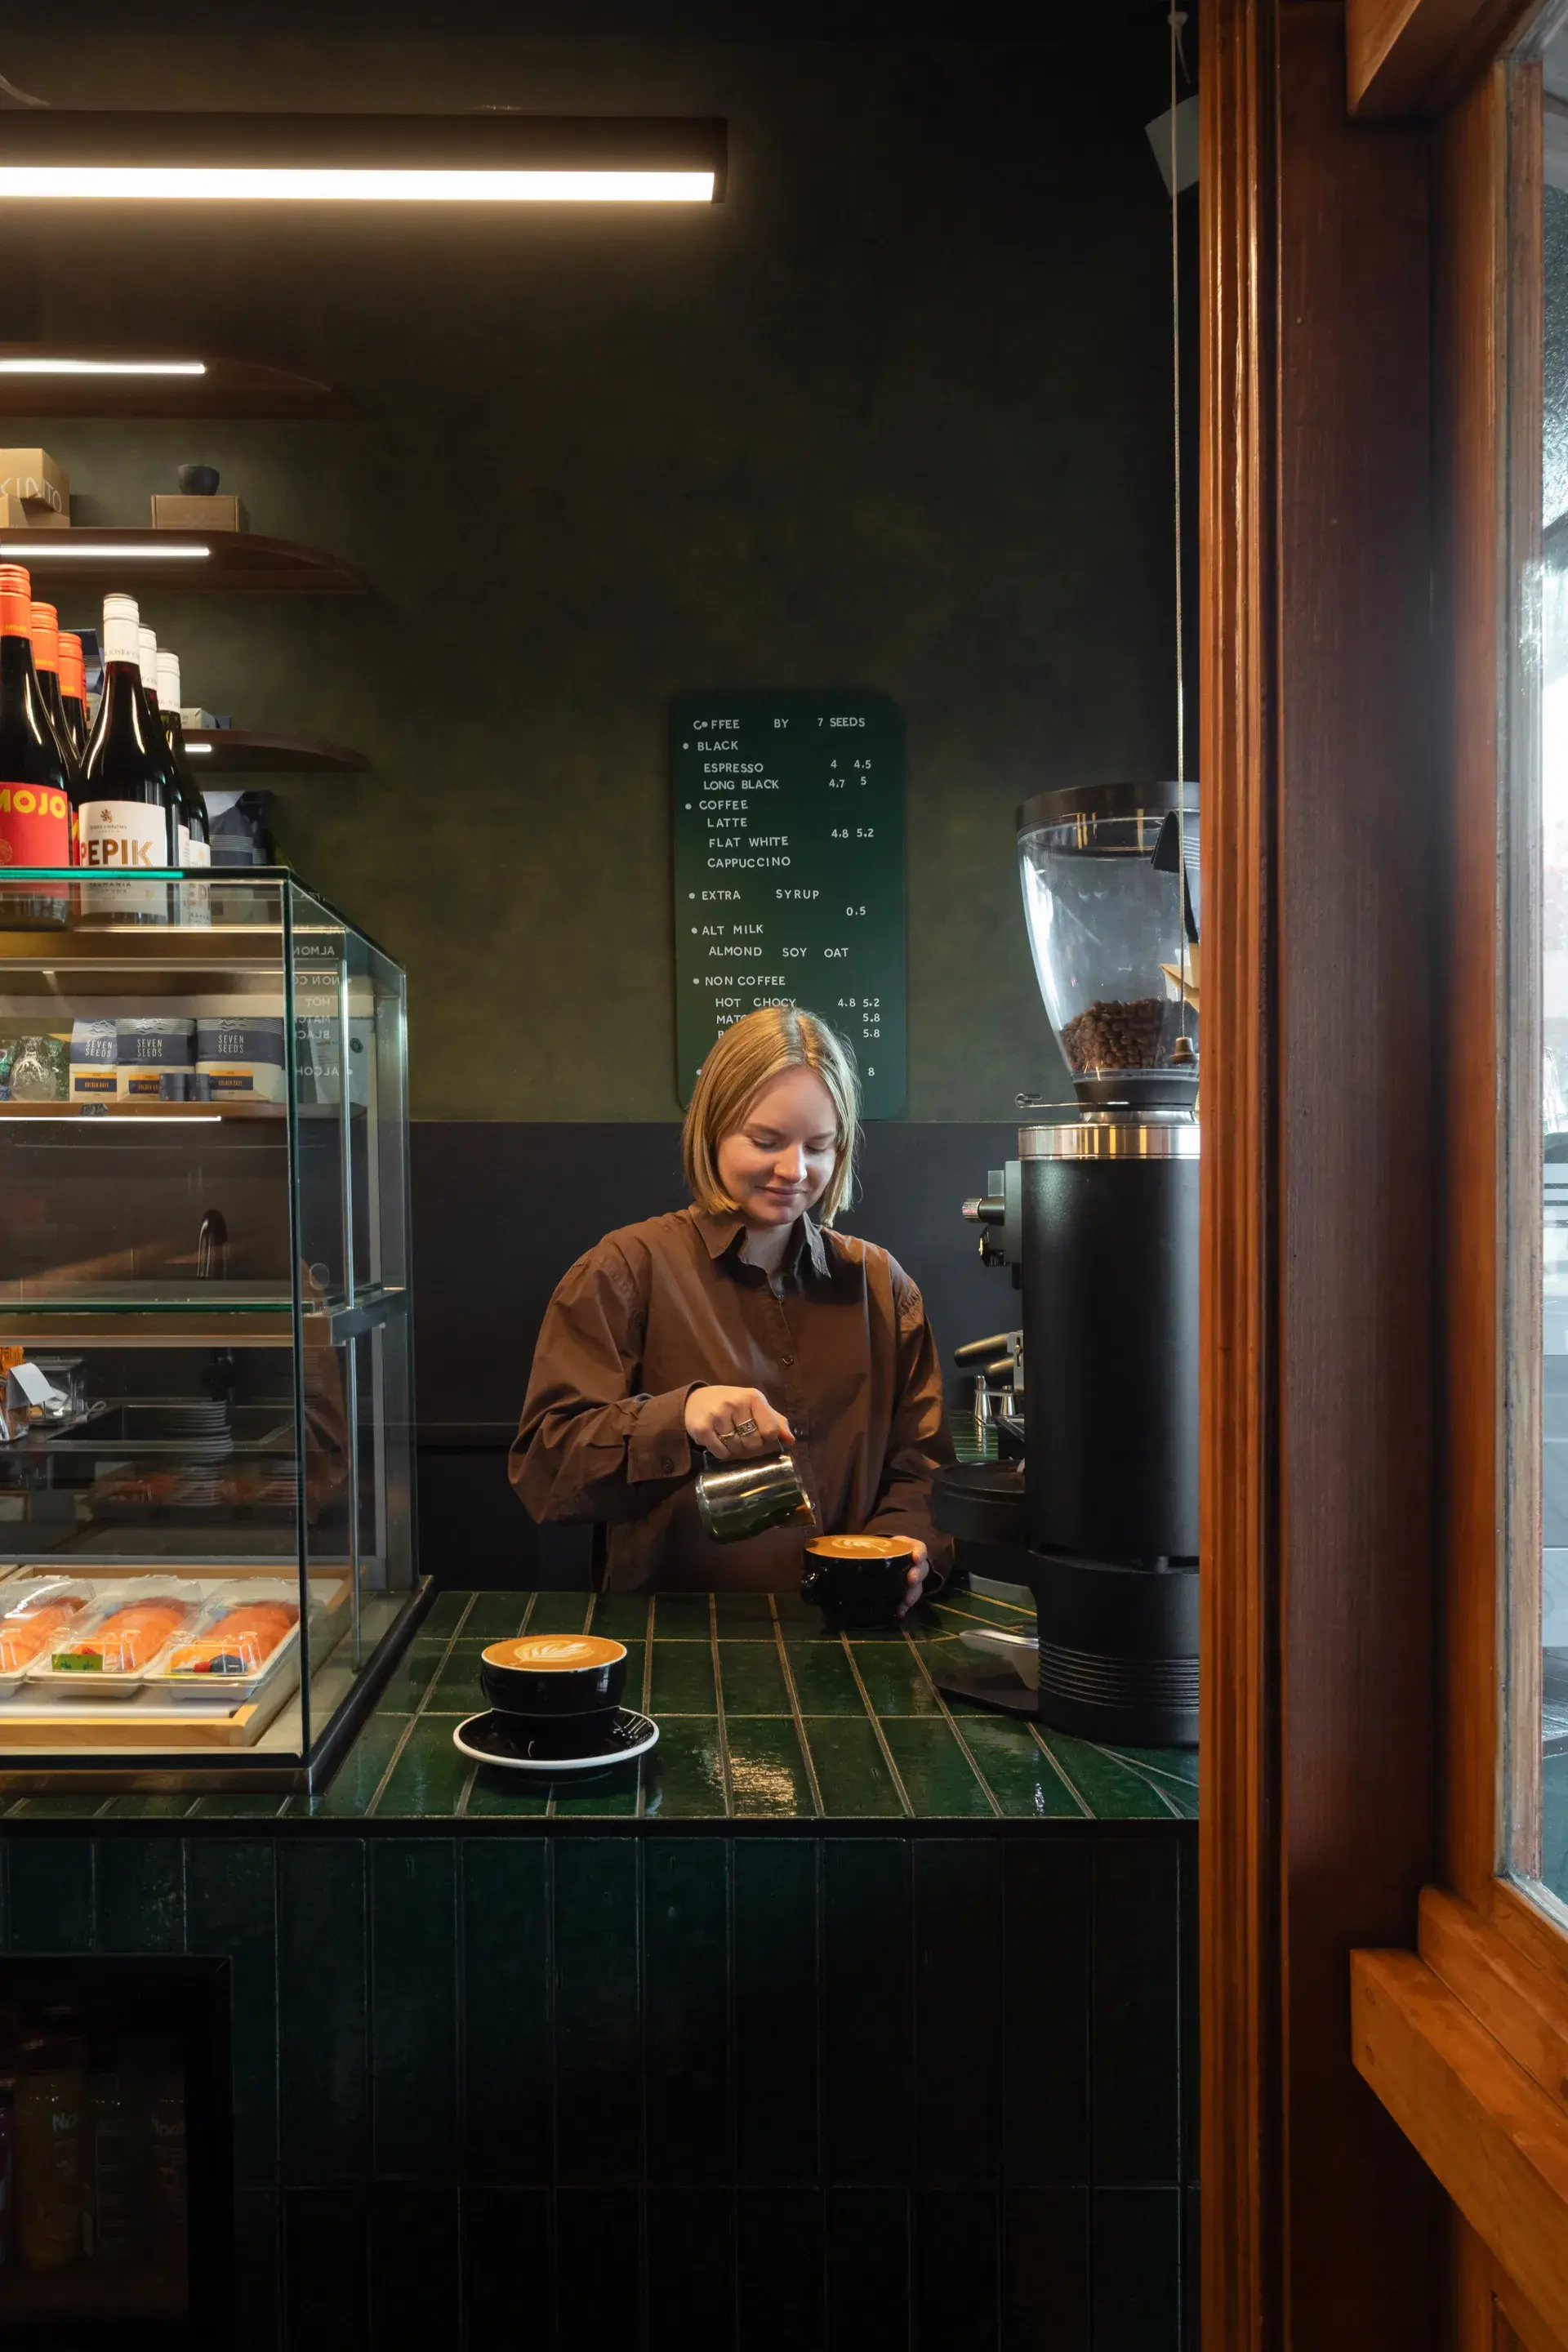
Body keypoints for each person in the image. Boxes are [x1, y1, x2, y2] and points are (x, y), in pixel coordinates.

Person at [510, 1004, 955, 1600]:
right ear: (712, 1129)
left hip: (851, 1641)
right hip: (677, 1646)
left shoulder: (881, 1285)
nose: (794, 1169)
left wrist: (908, 1546)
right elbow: (546, 1469)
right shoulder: (623, 1271)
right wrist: (682, 1419)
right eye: (765, 1141)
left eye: (819, 1147)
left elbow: (923, 1470)